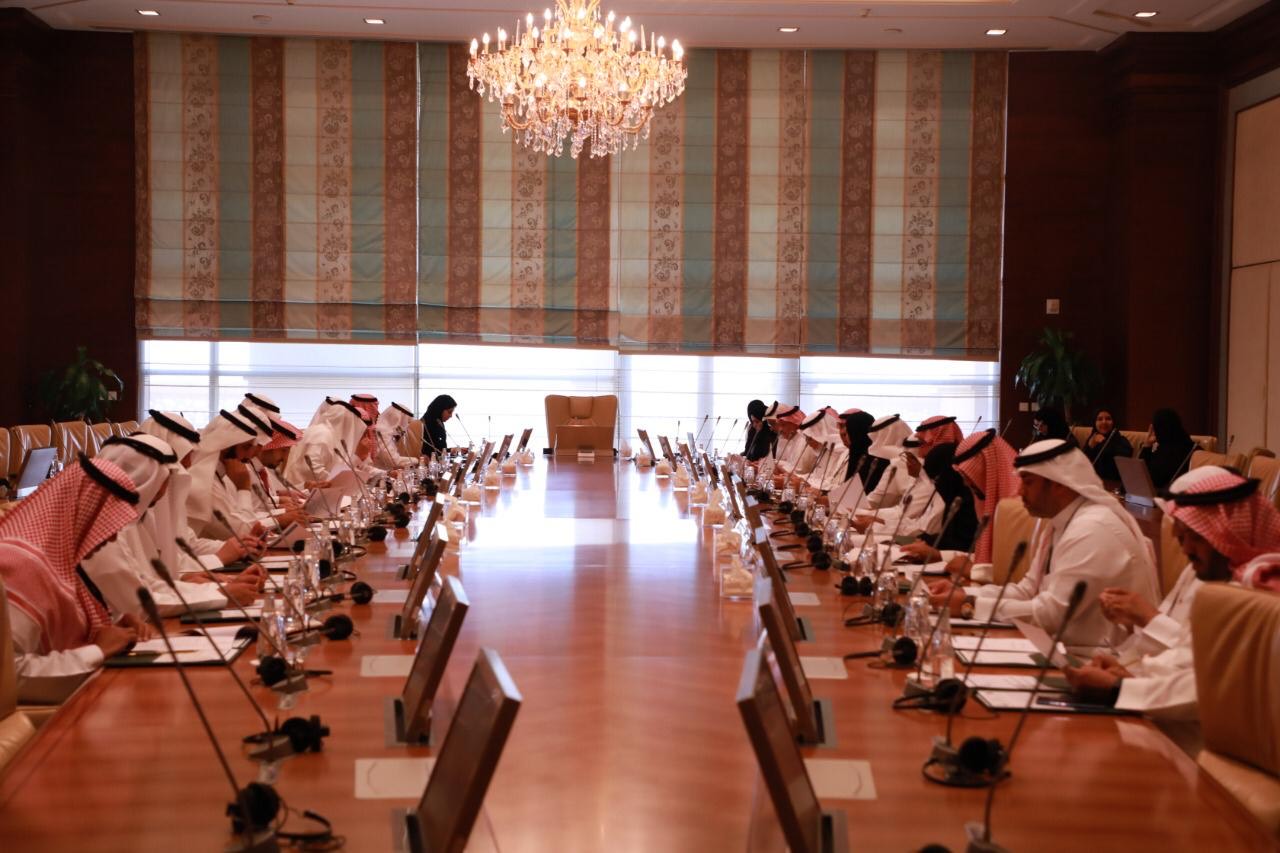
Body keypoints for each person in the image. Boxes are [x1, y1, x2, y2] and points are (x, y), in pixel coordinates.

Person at [1064, 466, 1280, 720]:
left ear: (1232, 533)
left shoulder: (1261, 592)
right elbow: (1185, 659)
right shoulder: (1207, 572)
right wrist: (1131, 673)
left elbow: (1213, 688)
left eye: (1196, 537)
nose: (1186, 549)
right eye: (1181, 537)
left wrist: (1119, 688)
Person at [929, 439, 1160, 651]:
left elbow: (1052, 615)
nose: (1019, 491)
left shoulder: (1092, 529)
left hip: (1104, 659)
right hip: (1064, 648)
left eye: (1028, 482)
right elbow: (1028, 590)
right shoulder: (1060, 522)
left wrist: (970, 605)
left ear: (1059, 484)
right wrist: (962, 594)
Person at [0, 453, 144, 703]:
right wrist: (97, 651)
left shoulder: (58, 558)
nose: (111, 537)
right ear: (82, 511)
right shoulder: (22, 566)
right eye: (107, 522)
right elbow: (11, 674)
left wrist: (112, 629)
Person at [83, 436, 258, 619]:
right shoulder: (102, 529)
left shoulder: (137, 517)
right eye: (162, 481)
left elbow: (151, 583)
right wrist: (221, 593)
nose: (164, 492)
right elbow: (139, 604)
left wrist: (222, 587)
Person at [285, 397, 370, 486]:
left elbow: (335, 468)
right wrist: (357, 457)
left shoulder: (329, 435)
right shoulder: (322, 434)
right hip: (302, 490)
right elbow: (312, 468)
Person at [1139, 407, 1196, 489]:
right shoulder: (1165, 446)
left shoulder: (1185, 448)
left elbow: (1151, 478)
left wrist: (1147, 448)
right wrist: (1147, 445)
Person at [1081, 407, 1133, 482]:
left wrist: (1104, 443)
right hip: (1093, 482)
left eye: (1108, 419)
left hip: (1114, 482)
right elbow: (1083, 464)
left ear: (1113, 422)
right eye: (1100, 419)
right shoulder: (1092, 439)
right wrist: (1090, 446)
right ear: (1094, 423)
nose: (1104, 422)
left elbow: (1123, 463)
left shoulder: (1122, 441)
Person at [374, 402, 418, 469]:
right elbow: (393, 461)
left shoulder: (388, 431)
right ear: (398, 419)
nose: (407, 426)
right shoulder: (382, 431)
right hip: (379, 472)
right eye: (407, 422)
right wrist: (418, 460)